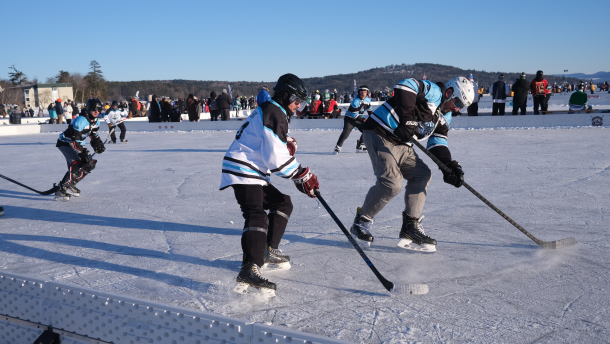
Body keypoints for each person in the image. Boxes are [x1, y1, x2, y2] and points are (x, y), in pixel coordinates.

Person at [220, 73, 319, 296]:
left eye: (301, 102)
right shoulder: (274, 111)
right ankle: (250, 268)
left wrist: (287, 144)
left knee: (282, 203)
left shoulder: (273, 109)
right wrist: (301, 174)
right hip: (244, 170)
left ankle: (267, 250)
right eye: (296, 100)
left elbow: (273, 146)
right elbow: (276, 160)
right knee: (256, 214)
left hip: (250, 170)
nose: (298, 106)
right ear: (286, 96)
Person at [351, 77, 475, 252]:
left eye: (461, 106)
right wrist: (407, 119)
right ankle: (361, 222)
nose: (457, 108)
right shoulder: (434, 92)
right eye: (457, 102)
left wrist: (448, 166)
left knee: (423, 175)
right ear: (449, 93)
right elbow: (405, 85)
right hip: (380, 132)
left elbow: (437, 142)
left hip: (403, 143)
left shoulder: (446, 115)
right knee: (392, 184)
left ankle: (410, 226)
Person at [54, 98, 106, 201]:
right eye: (94, 109)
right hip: (66, 143)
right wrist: (82, 153)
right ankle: (61, 189)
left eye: (99, 110)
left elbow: (94, 135)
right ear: (88, 109)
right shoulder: (80, 120)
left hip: (77, 143)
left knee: (89, 163)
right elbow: (75, 140)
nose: (97, 112)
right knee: (78, 164)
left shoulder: (96, 121)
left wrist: (98, 144)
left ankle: (71, 184)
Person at [334, 85, 371, 153]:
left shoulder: (367, 100)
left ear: (367, 93)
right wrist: (363, 120)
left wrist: (372, 118)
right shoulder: (356, 101)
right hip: (350, 119)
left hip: (358, 119)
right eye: (361, 92)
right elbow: (354, 114)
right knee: (346, 133)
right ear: (359, 93)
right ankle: (338, 147)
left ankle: (360, 145)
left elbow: (369, 110)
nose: (363, 94)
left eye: (365, 92)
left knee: (367, 129)